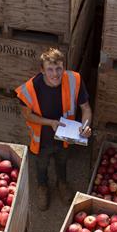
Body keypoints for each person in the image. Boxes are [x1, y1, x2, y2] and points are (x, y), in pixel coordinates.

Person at [16, 48, 92, 211]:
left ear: (64, 67)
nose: (55, 74)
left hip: (65, 137)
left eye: (59, 68)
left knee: (62, 161)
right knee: (41, 164)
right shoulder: (30, 89)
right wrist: (50, 123)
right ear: (42, 70)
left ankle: (62, 183)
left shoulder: (74, 80)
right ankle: (42, 186)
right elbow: (27, 116)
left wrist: (85, 127)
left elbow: (86, 108)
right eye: (50, 69)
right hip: (42, 138)